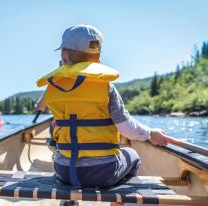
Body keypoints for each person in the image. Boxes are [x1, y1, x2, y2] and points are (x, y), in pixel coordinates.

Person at [35, 24, 178, 188]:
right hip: (103, 172)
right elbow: (126, 128)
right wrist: (150, 133)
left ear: (63, 54)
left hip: (64, 171)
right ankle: (116, 201)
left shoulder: (53, 87)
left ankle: (69, 200)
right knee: (133, 155)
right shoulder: (105, 86)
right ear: (98, 59)